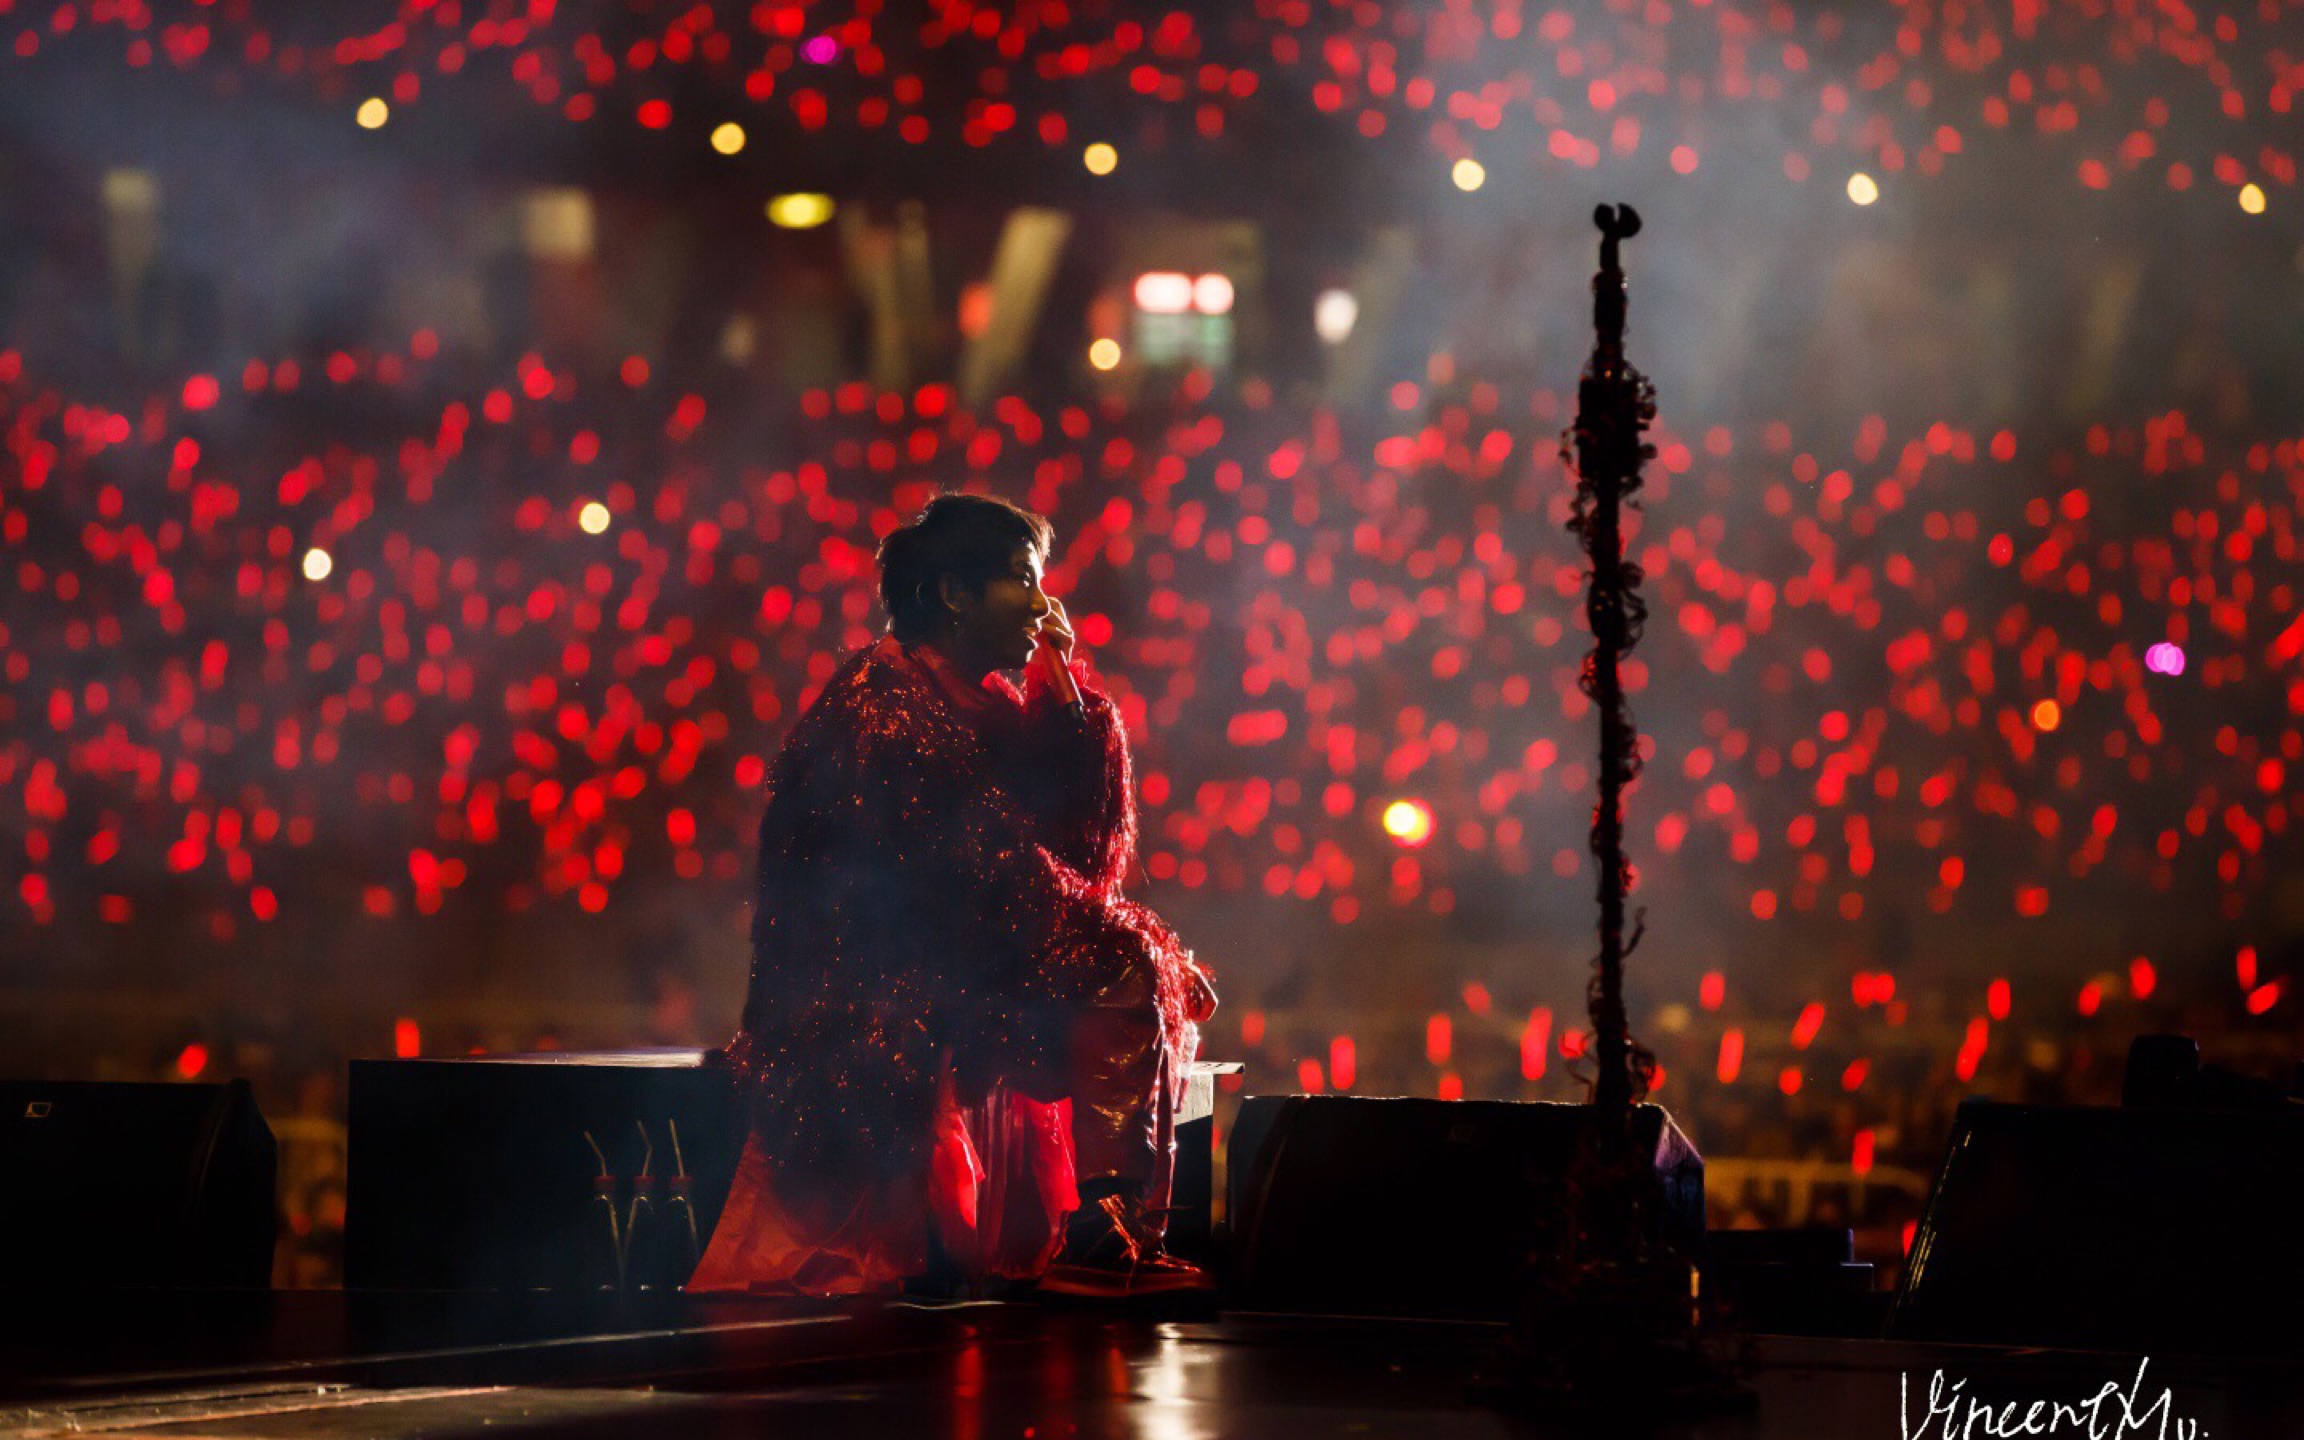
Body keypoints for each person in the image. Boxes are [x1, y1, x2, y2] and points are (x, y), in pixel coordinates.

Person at [689, 493, 1215, 1299]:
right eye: (1020, 579)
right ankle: (1095, 1231)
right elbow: (991, 880)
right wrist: (1138, 952)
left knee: (1120, 965)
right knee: (1121, 969)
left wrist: (1065, 699)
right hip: (871, 1005)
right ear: (952, 596)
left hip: (951, 971)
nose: (1044, 604)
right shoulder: (883, 710)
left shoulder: (976, 700)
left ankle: (1099, 1232)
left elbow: (1078, 854)